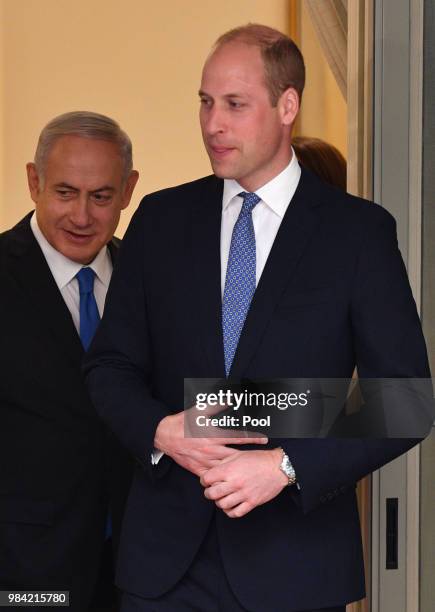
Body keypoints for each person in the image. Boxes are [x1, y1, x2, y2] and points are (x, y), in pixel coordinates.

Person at [84, 25, 430, 612]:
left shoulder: (357, 233)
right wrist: (161, 431)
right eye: (205, 102)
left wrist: (286, 465)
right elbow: (109, 367)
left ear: (287, 105)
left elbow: (403, 399)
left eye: (235, 105)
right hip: (164, 568)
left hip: (296, 564)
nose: (213, 123)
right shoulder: (160, 220)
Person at [0, 111, 139, 611]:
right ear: (33, 182)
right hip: (23, 577)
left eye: (101, 196)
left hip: (140, 573)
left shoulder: (151, 283)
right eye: (64, 192)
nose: (82, 216)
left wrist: (313, 415)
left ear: (128, 191)